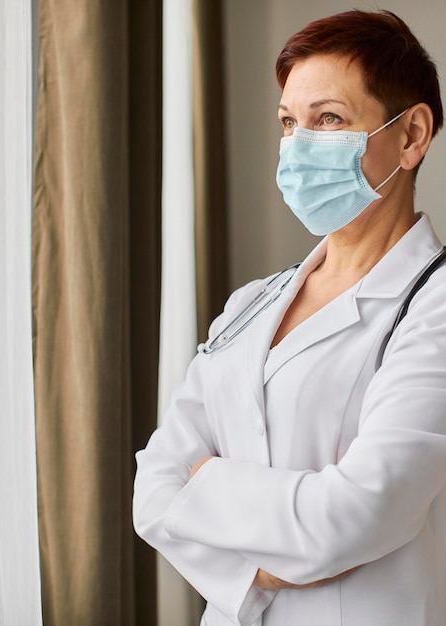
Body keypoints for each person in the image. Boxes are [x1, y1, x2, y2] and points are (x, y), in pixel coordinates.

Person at [133, 9, 446, 626]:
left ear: (411, 136)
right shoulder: (251, 304)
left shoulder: (434, 308)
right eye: (288, 123)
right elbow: (152, 485)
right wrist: (258, 569)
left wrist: (206, 486)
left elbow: (356, 514)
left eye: (328, 119)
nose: (299, 146)